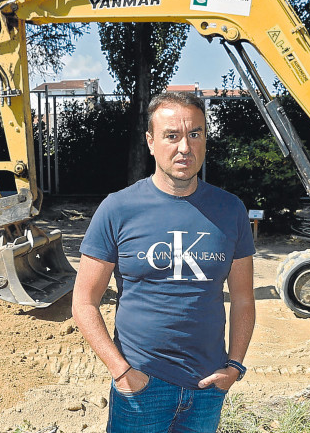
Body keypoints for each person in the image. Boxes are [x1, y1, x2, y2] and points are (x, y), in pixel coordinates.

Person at [72, 92, 255, 432]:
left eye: (195, 134)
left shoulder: (230, 211)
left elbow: (244, 298)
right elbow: (84, 300)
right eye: (172, 135)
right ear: (151, 142)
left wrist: (235, 366)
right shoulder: (117, 209)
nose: (185, 146)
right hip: (141, 386)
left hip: (207, 387)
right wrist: (121, 371)